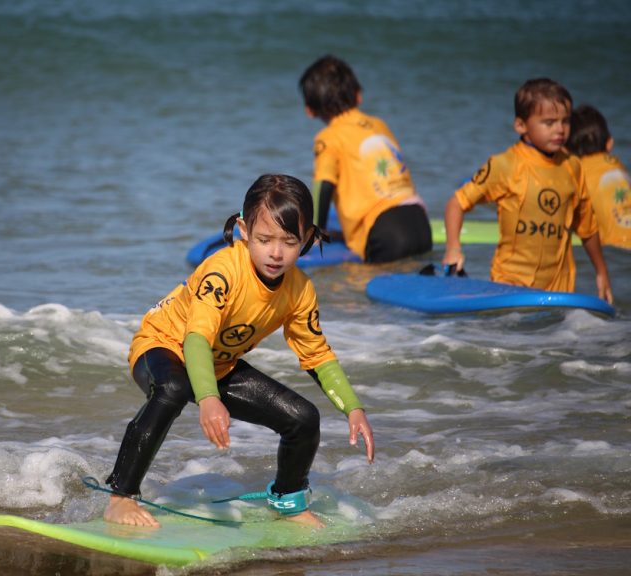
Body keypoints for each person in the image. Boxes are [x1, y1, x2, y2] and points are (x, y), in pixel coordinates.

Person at [104, 174, 375, 529]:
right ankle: (120, 496)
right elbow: (196, 338)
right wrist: (208, 398)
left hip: (218, 363)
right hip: (162, 345)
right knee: (173, 389)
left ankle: (288, 500)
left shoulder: (299, 290)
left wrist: (352, 407)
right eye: (264, 240)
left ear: (307, 238)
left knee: (302, 419)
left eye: (289, 241)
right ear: (245, 231)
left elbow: (316, 354)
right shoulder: (223, 271)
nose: (276, 252)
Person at [442, 78, 613, 303]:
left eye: (565, 121)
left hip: (559, 293)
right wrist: (453, 248)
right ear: (521, 126)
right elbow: (457, 203)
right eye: (549, 122)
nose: (560, 130)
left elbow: (588, 228)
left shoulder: (572, 167)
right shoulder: (505, 165)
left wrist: (601, 272)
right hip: (510, 289)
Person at [298, 54, 432, 263]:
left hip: (386, 232)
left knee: (359, 287)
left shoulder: (328, 137)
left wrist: (316, 231)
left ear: (310, 110)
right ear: (358, 95)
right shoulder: (379, 124)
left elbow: (324, 184)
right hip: (421, 223)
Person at [566, 104, 631, 250]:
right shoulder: (618, 167)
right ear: (609, 144)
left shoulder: (577, 174)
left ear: (566, 151)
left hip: (616, 251)